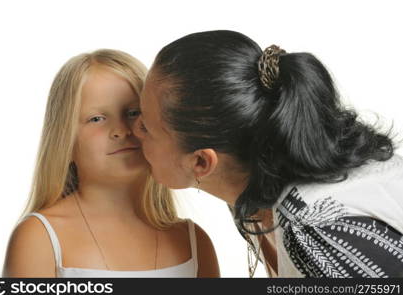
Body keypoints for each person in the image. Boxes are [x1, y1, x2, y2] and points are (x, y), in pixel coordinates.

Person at [133, 30, 403, 277]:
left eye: (146, 125)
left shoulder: (318, 231)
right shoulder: (256, 188)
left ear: (202, 162)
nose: (133, 129)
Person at [2, 49, 219, 278]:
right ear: (64, 139)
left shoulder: (193, 241)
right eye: (96, 119)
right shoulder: (39, 239)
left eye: (133, 112)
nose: (121, 130)